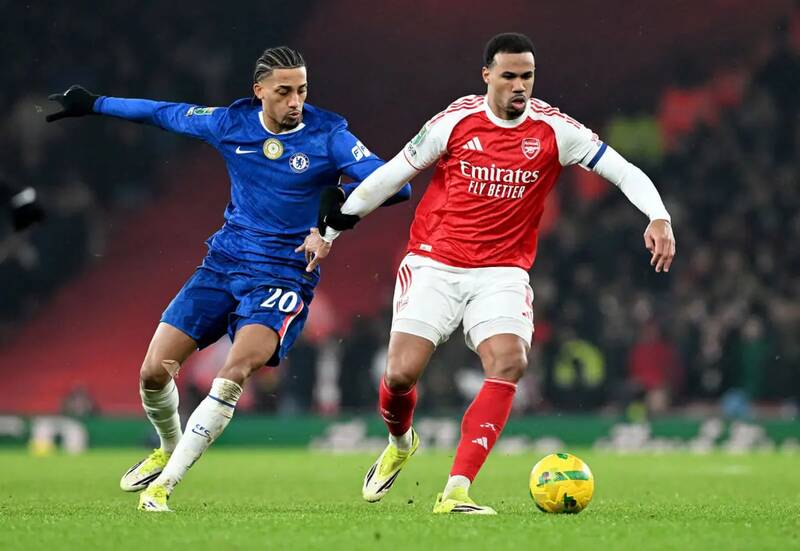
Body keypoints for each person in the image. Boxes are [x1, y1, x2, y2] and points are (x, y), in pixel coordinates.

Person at [299, 33, 676, 514]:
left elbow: (623, 170)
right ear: (487, 76)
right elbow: (392, 175)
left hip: (502, 272)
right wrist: (330, 232)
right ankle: (400, 443)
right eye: (509, 76)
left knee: (509, 362)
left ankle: (456, 490)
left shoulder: (555, 130)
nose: (520, 86)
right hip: (435, 262)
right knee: (400, 374)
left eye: (527, 77)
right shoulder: (455, 122)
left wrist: (658, 216)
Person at [46, 46, 411, 512]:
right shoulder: (230, 124)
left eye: (302, 90)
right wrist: (96, 104)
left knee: (233, 373)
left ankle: (164, 487)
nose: (296, 101)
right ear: (259, 91)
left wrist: (335, 214)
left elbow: (395, 186)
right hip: (223, 264)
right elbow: (164, 113)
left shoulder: (328, 135)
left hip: (282, 277)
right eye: (284, 92)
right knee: (153, 373)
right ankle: (167, 446)